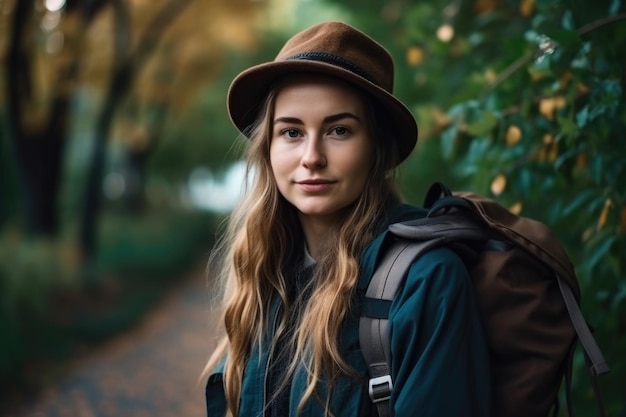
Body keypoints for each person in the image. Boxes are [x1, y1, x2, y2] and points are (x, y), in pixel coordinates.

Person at [203, 21, 491, 417]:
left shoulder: (426, 280)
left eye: (339, 130)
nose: (311, 157)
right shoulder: (265, 273)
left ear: (377, 149)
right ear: (267, 147)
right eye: (291, 132)